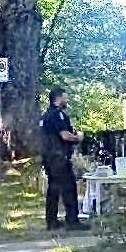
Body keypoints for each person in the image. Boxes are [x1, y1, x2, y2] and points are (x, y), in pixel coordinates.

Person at [40, 87, 89, 231]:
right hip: (59, 157)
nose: (66, 100)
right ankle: (72, 221)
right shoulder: (57, 115)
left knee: (53, 190)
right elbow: (65, 136)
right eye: (65, 97)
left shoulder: (45, 116)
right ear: (58, 98)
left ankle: (52, 221)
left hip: (49, 158)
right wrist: (78, 138)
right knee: (69, 188)